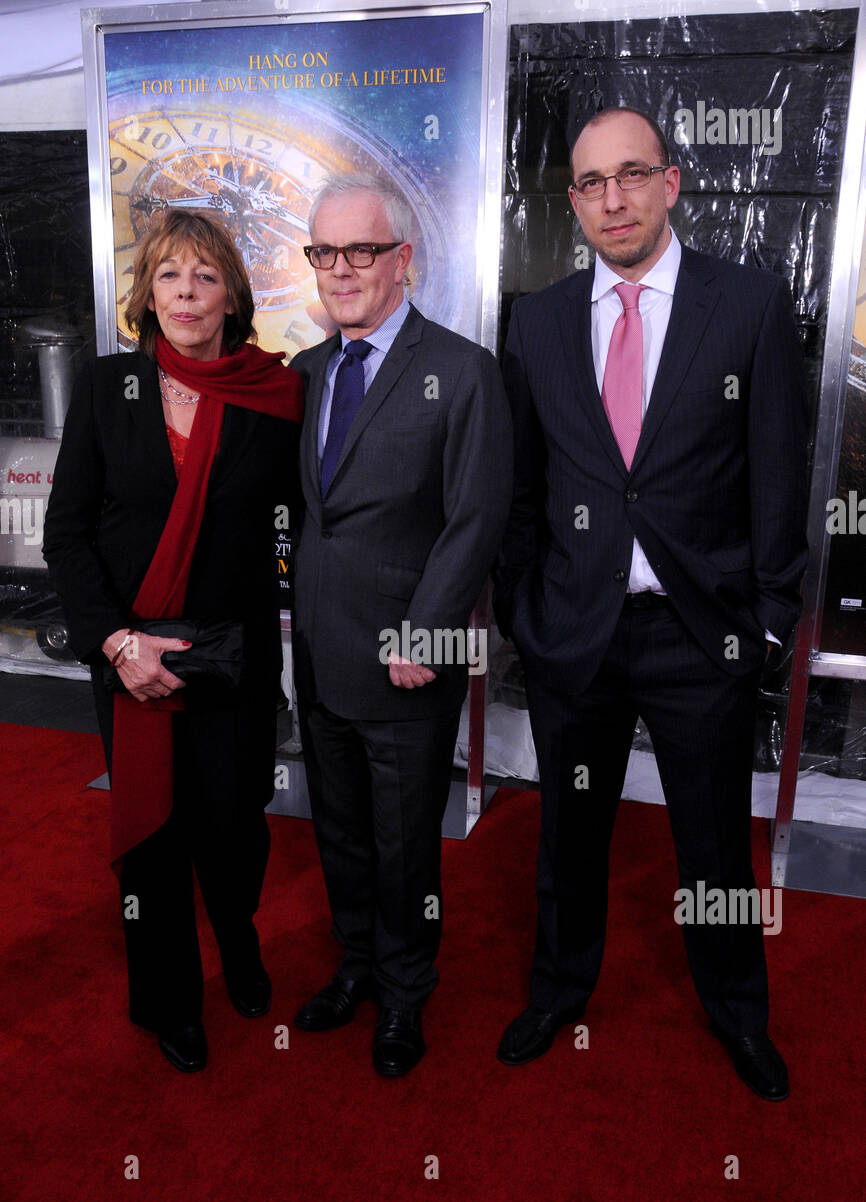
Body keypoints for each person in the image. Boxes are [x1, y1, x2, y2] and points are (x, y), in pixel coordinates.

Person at [493, 107, 808, 1100]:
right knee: (567, 834)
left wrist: (765, 619)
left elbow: (776, 470)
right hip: (573, 632)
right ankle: (555, 991)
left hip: (697, 634)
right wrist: (521, 608)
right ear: (574, 201)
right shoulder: (536, 321)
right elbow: (521, 486)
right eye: (588, 183)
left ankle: (736, 1015)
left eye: (630, 175)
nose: (610, 198)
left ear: (670, 184)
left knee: (714, 844)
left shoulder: (746, 303)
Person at [43, 209, 303, 1073]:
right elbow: (68, 534)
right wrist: (118, 643)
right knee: (153, 831)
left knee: (236, 825)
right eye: (167, 276)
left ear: (233, 294)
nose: (185, 293)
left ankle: (239, 941)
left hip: (235, 657)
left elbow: (300, 528)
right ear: (146, 295)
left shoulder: (277, 395)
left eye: (203, 276)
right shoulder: (107, 386)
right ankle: (169, 997)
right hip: (132, 655)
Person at [289, 172, 512, 1077]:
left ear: (402, 261)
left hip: (405, 662)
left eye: (361, 250)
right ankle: (355, 967)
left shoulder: (461, 372)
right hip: (318, 652)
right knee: (336, 828)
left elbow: (479, 515)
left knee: (407, 839)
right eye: (324, 252)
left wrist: (427, 634)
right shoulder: (305, 373)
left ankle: (405, 994)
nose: (341, 269)